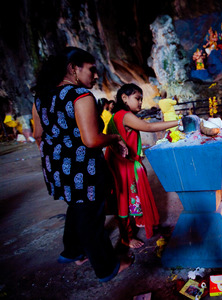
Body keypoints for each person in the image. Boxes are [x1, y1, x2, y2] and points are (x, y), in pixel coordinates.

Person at [31, 46, 132, 282]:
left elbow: (38, 135)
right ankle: (107, 267)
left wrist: (57, 156)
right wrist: (116, 137)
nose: (96, 76)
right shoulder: (80, 96)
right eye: (91, 70)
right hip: (82, 168)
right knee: (91, 219)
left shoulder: (42, 97)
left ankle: (72, 252)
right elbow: (91, 140)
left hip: (56, 167)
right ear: (73, 69)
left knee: (76, 207)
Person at [105, 83, 180, 249]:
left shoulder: (116, 115)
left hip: (122, 165)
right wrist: (177, 123)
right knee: (124, 202)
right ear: (124, 98)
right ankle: (126, 238)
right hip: (125, 167)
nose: (140, 102)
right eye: (137, 98)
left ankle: (131, 231)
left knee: (125, 201)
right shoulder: (124, 115)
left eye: (141, 99)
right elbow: (148, 127)